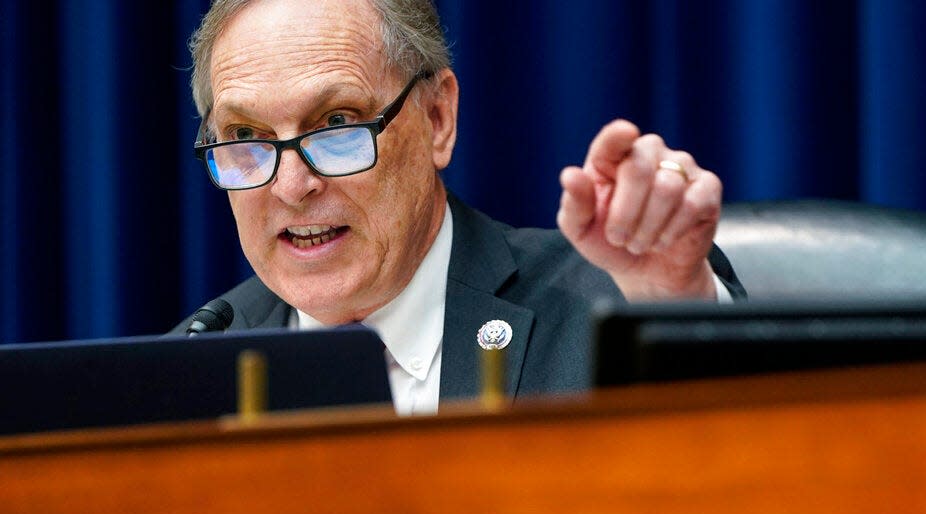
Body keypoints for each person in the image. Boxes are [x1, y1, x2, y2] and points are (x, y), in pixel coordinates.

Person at [174, 0, 744, 414]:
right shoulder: (191, 368)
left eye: (338, 124)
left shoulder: (603, 309)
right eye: (245, 134)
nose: (292, 186)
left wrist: (678, 309)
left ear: (437, 119)